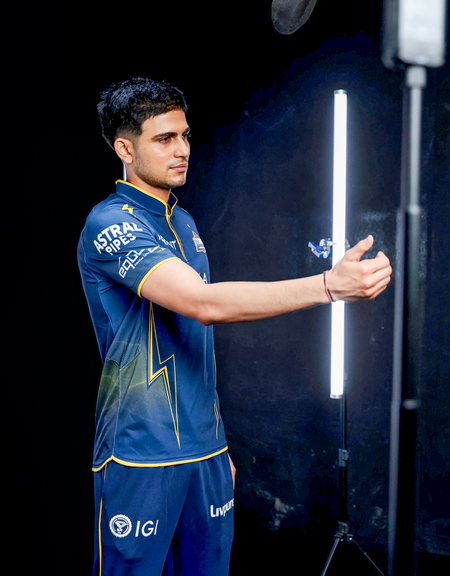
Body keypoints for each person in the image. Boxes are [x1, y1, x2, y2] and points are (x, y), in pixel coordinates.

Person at [77, 77, 392, 576]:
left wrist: (216, 443)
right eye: (164, 139)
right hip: (141, 452)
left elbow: (194, 343)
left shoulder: (184, 222)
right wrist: (328, 286)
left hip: (206, 452)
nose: (182, 149)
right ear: (125, 149)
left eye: (184, 135)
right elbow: (202, 305)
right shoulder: (110, 223)